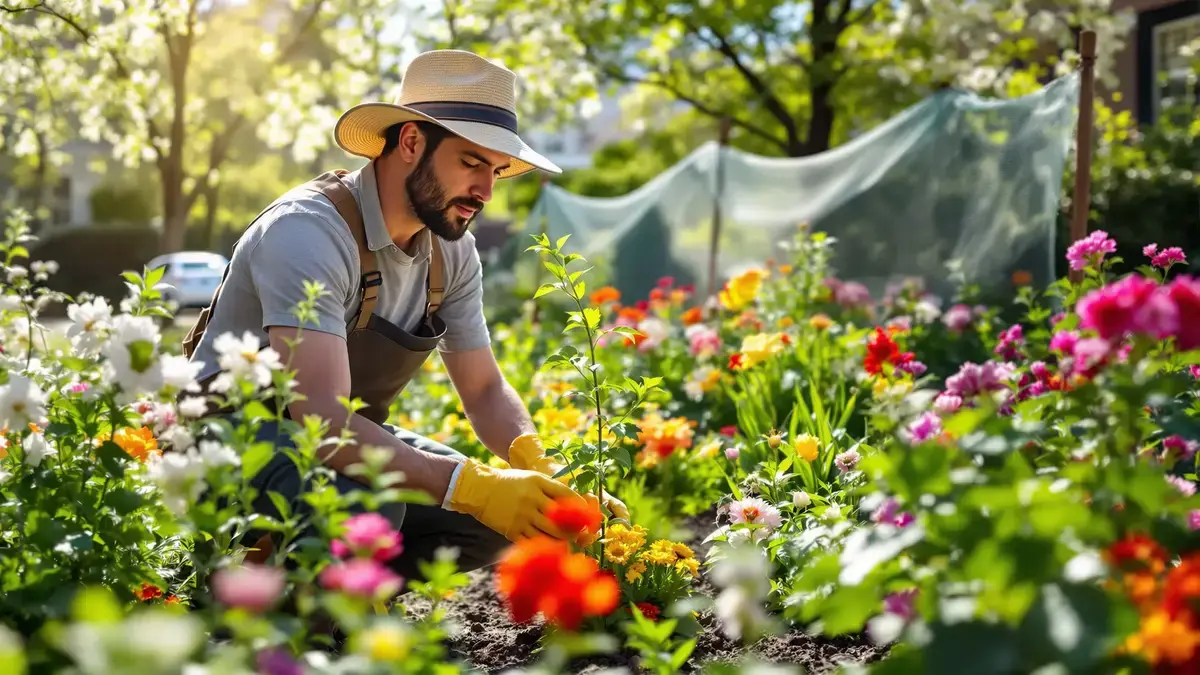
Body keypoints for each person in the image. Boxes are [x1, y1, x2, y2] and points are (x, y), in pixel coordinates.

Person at [181, 49, 628, 584]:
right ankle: (277, 621)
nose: (485, 192)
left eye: (495, 170)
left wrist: (543, 470)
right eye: (470, 162)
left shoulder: (450, 249)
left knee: (501, 523)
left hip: (338, 446)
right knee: (370, 509)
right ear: (412, 142)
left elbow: (484, 390)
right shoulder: (307, 232)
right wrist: (472, 485)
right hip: (222, 442)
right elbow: (321, 419)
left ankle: (334, 590)